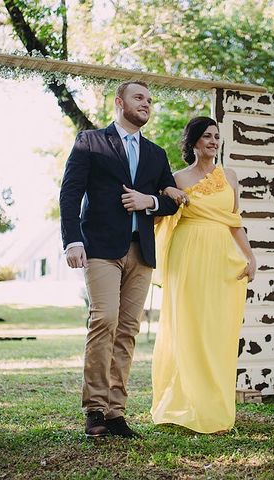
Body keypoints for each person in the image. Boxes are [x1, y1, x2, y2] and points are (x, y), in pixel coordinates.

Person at [59, 81, 180, 439]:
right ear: (119, 102)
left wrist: (151, 202)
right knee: (105, 320)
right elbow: (70, 194)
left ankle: (115, 413)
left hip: (140, 250)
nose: (146, 104)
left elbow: (173, 198)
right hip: (99, 248)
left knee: (127, 330)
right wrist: (72, 242)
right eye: (139, 98)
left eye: (149, 100)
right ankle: (94, 410)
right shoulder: (90, 142)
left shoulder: (157, 155)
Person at [151, 116, 256, 434]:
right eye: (207, 136)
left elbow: (234, 221)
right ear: (194, 141)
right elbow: (159, 214)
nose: (214, 141)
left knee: (217, 328)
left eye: (217, 136)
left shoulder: (231, 177)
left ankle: (214, 407)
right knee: (187, 327)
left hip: (221, 256)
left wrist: (250, 256)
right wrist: (168, 191)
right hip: (187, 256)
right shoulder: (177, 179)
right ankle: (184, 404)